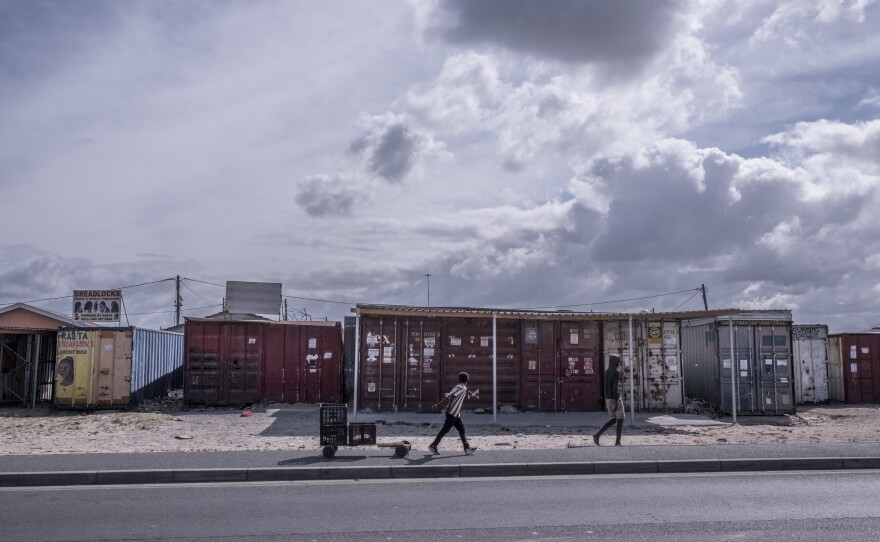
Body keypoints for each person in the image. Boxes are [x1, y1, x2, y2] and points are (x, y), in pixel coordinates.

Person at [428, 372, 477, 455]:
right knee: (445, 430)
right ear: (466, 380)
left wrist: (438, 405)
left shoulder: (457, 386)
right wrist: (449, 406)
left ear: (459, 379)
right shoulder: (463, 388)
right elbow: (452, 396)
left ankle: (466, 447)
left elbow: (448, 397)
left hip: (455, 414)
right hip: (452, 412)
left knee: (461, 429)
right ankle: (434, 445)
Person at [594, 354, 625, 446]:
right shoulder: (616, 372)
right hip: (615, 399)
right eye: (618, 361)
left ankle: (597, 435)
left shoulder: (606, 372)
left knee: (613, 419)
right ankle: (617, 442)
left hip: (608, 399)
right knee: (621, 418)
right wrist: (616, 402)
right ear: (616, 362)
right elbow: (615, 388)